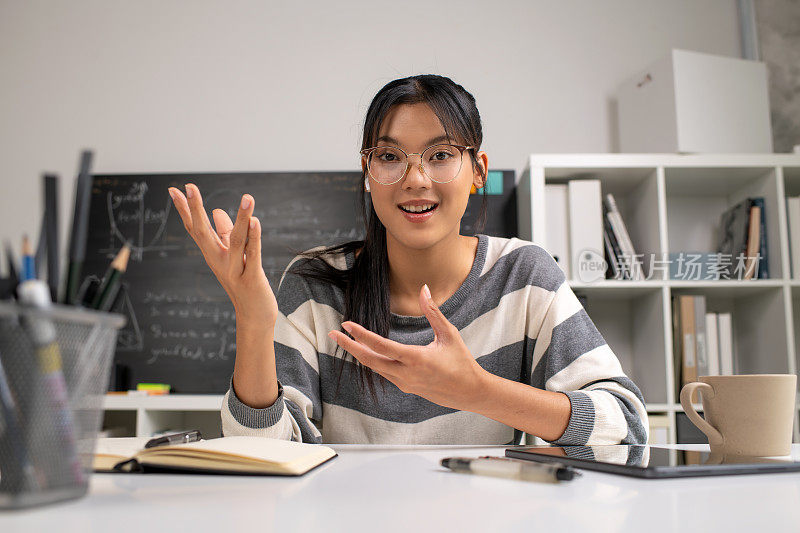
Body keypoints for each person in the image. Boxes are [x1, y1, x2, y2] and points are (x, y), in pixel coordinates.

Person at [167, 74, 648, 445]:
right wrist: (253, 320)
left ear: (478, 170)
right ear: (367, 172)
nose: (415, 179)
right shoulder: (317, 285)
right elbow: (265, 453)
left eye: (440, 154)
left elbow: (625, 431)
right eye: (390, 157)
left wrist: (476, 391)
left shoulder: (523, 276)